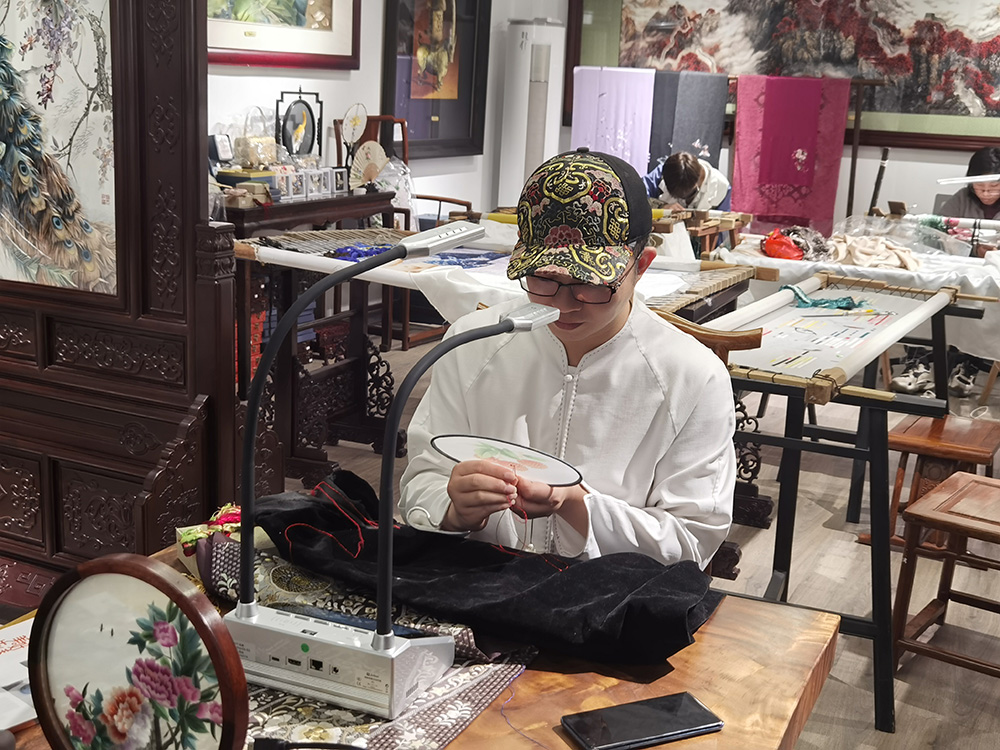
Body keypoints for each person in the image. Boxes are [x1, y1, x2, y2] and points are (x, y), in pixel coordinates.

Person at [398, 147, 736, 569]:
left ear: (642, 266)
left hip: (614, 598)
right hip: (478, 581)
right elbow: (422, 481)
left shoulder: (692, 376)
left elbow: (692, 540)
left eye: (591, 283)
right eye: (544, 279)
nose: (564, 305)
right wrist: (453, 509)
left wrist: (577, 505)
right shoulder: (472, 344)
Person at [892, 147, 1000, 397]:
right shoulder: (961, 198)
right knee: (926, 294)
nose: (986, 193)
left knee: (984, 305)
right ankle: (918, 363)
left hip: (993, 275)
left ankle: (970, 363)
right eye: (980, 187)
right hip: (962, 269)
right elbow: (936, 236)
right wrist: (973, 249)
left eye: (994, 186)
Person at [642, 151, 731, 212]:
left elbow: (722, 229)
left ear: (699, 179)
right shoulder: (662, 173)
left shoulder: (722, 187)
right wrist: (661, 207)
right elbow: (638, 197)